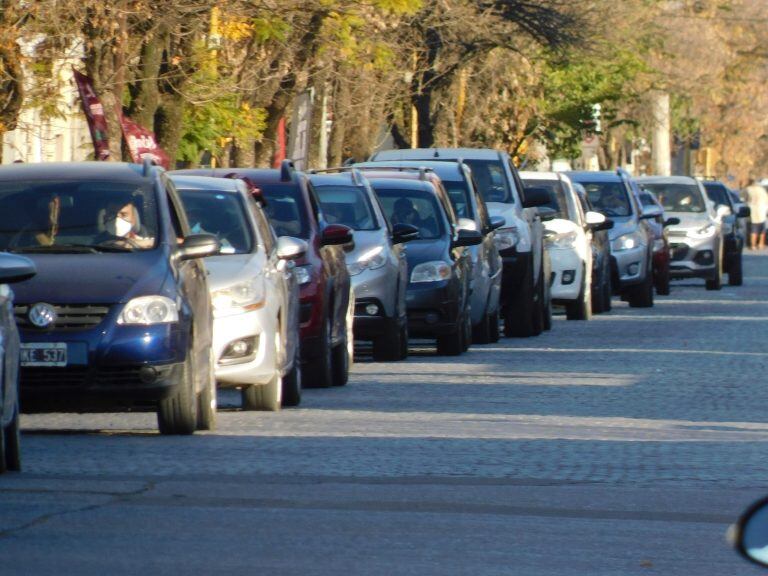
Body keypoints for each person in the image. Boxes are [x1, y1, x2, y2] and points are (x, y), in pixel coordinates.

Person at [744, 179, 768, 250]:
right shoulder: (762, 190)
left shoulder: (748, 189)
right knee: (762, 229)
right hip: (762, 211)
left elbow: (744, 199)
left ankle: (753, 245)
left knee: (753, 229)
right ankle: (761, 244)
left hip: (752, 212)